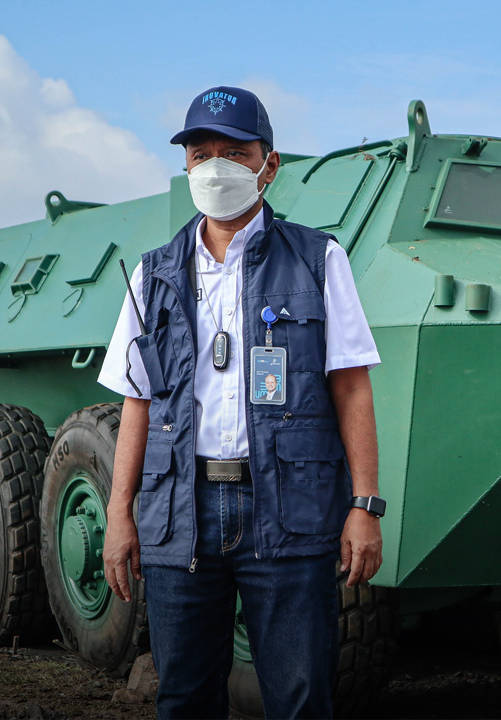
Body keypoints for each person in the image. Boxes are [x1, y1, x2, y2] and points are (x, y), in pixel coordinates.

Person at [98, 85, 384, 719]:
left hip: (288, 510)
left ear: (269, 164)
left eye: (234, 151)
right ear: (187, 166)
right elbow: (136, 403)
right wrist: (121, 515)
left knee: (301, 697)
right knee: (183, 699)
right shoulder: (153, 275)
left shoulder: (318, 260)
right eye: (201, 154)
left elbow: (351, 386)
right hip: (181, 509)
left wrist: (364, 505)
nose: (215, 166)